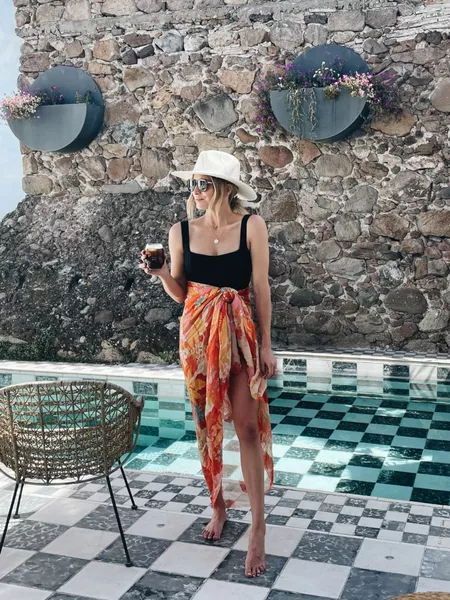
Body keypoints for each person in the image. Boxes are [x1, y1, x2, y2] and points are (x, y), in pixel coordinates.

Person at [139, 150, 275, 578]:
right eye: (193, 183)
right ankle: (217, 505)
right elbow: (182, 294)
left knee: (248, 426)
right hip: (197, 337)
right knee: (207, 422)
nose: (195, 191)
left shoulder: (252, 225)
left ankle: (258, 528)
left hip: (240, 335)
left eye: (203, 183)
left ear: (226, 188)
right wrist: (161, 274)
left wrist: (267, 346)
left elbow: (261, 288)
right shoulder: (180, 230)